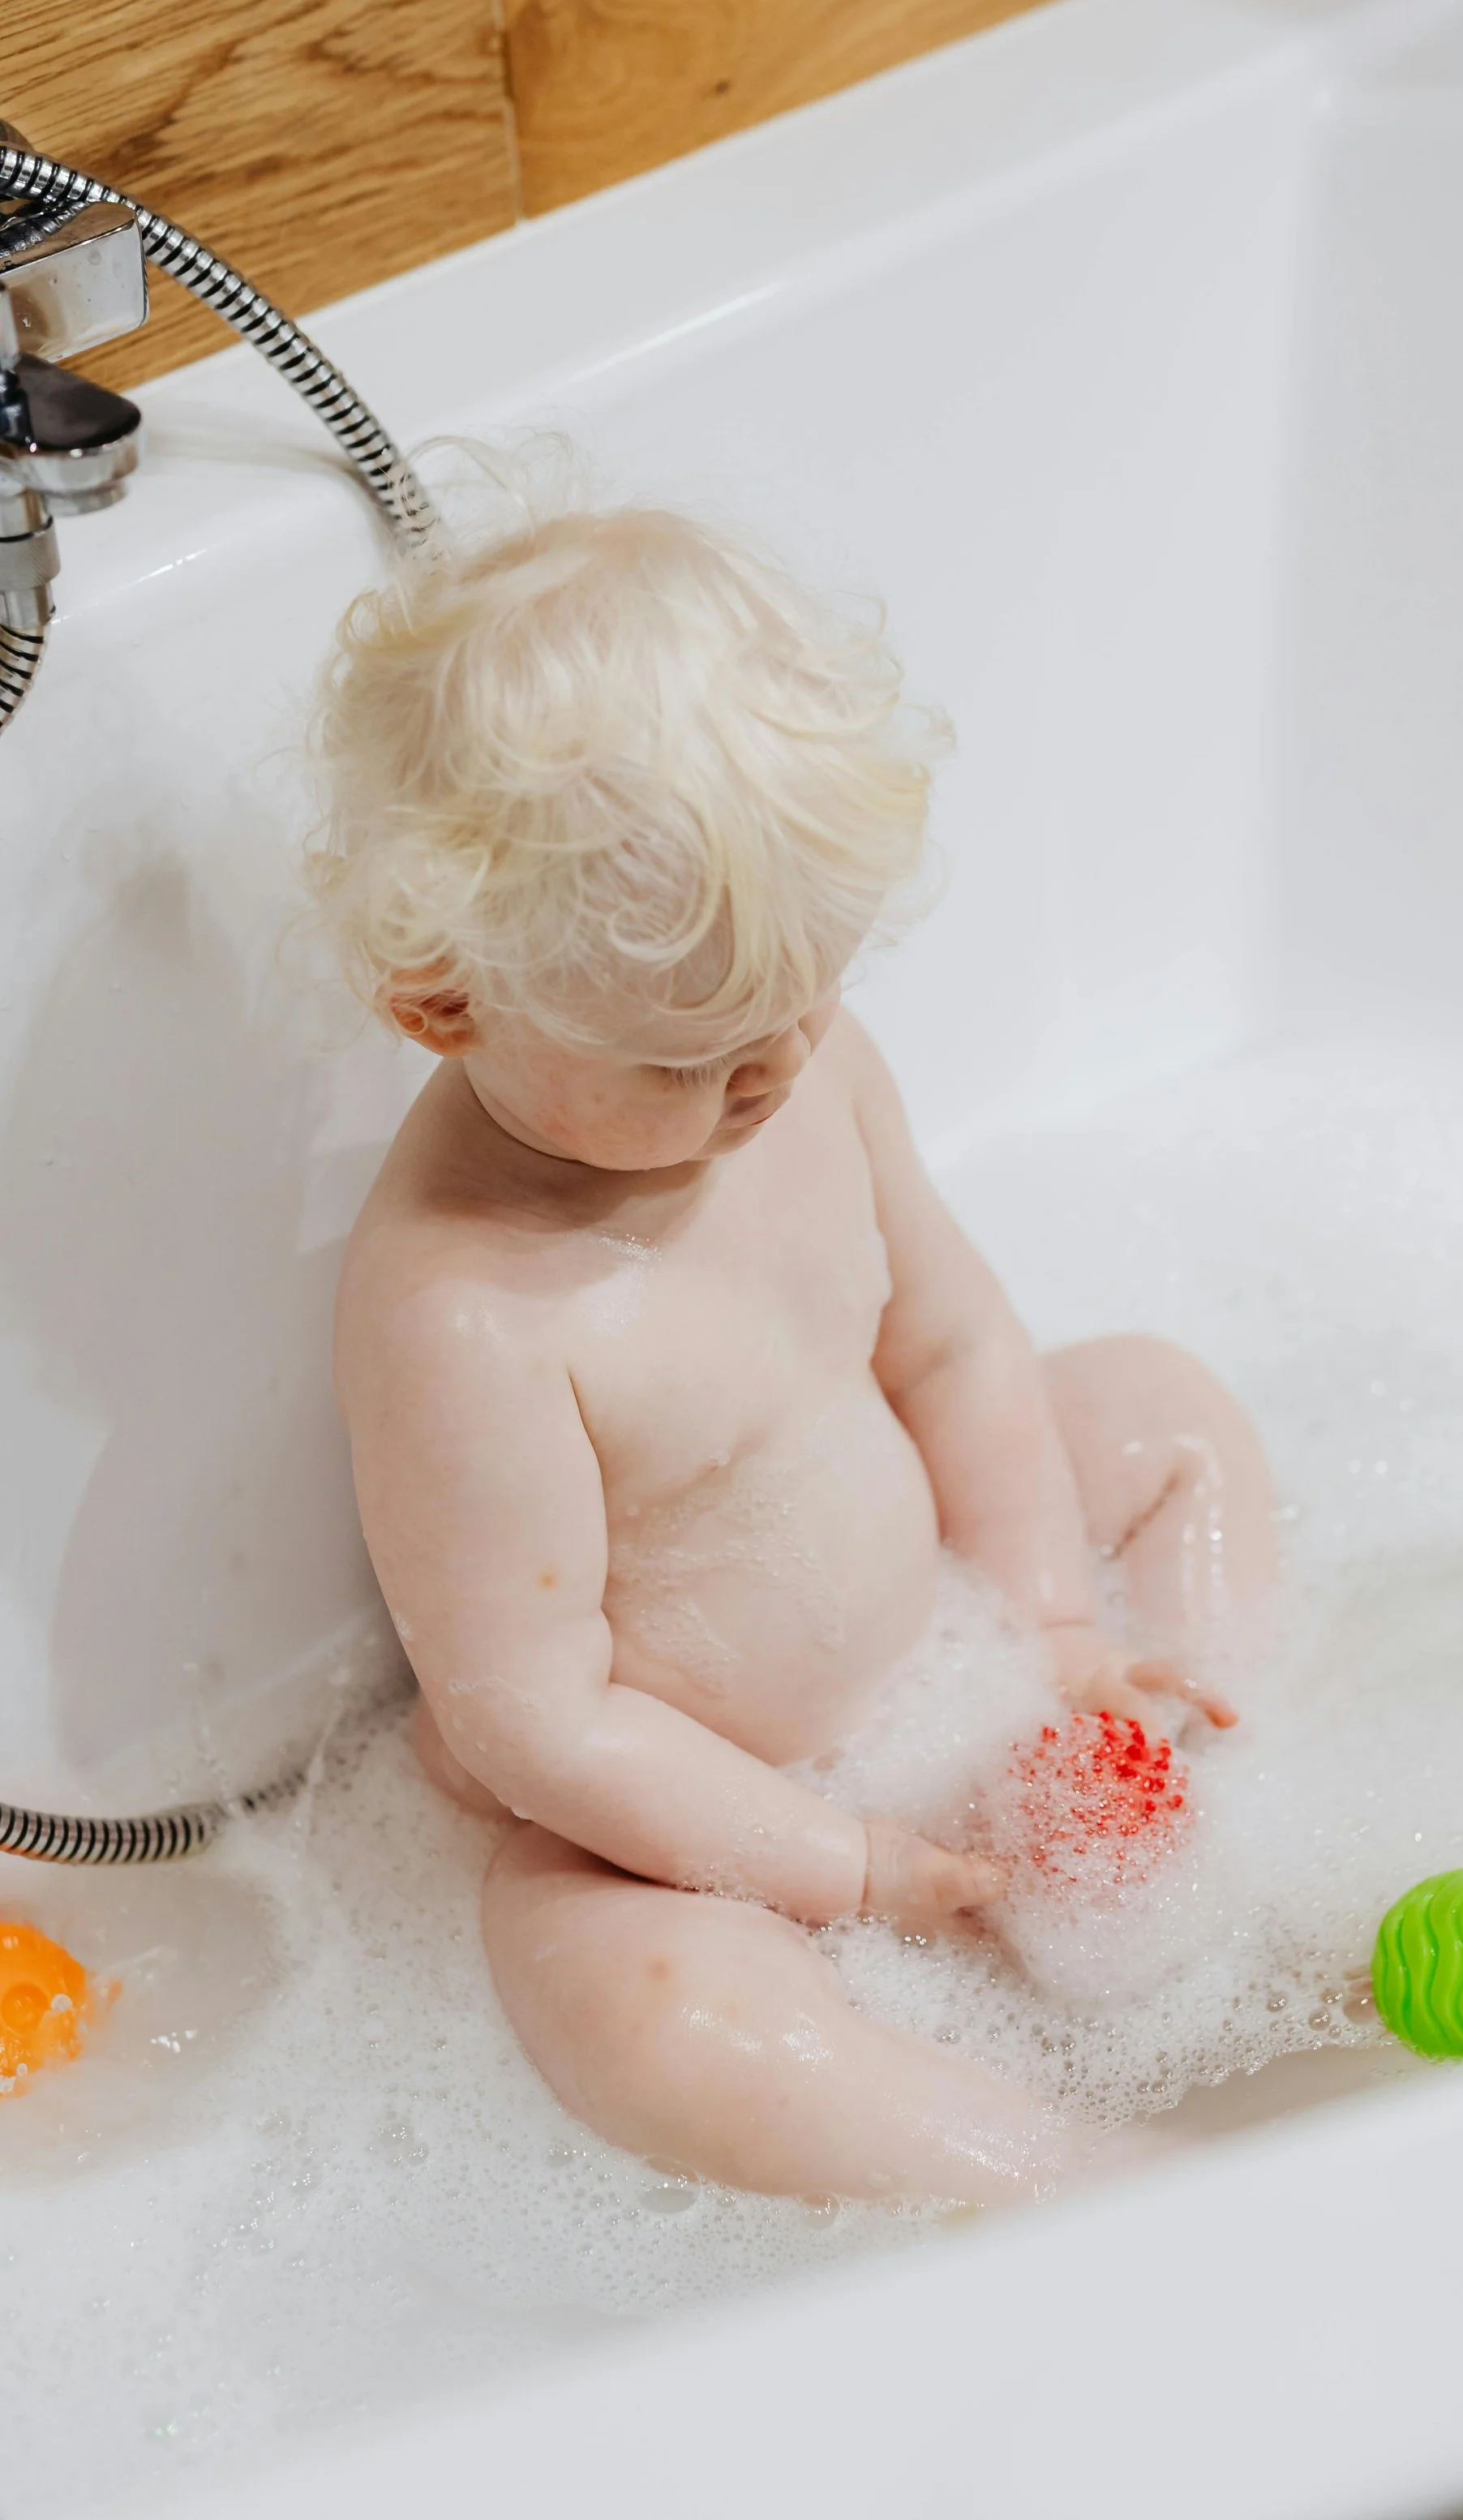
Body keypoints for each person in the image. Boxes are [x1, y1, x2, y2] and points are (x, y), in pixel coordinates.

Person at [315, 505, 1274, 2204]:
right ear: (441, 1001)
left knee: (1161, 1408)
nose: (759, 1086)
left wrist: (1050, 1629)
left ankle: (1231, 1810)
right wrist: (845, 1869)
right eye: (687, 1057)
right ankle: (1067, 2170)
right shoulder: (468, 1310)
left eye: (800, 1006)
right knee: (654, 2017)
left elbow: (960, 1341)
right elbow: (541, 1723)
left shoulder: (798, 1072)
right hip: (677, 1823)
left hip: (955, 1643)